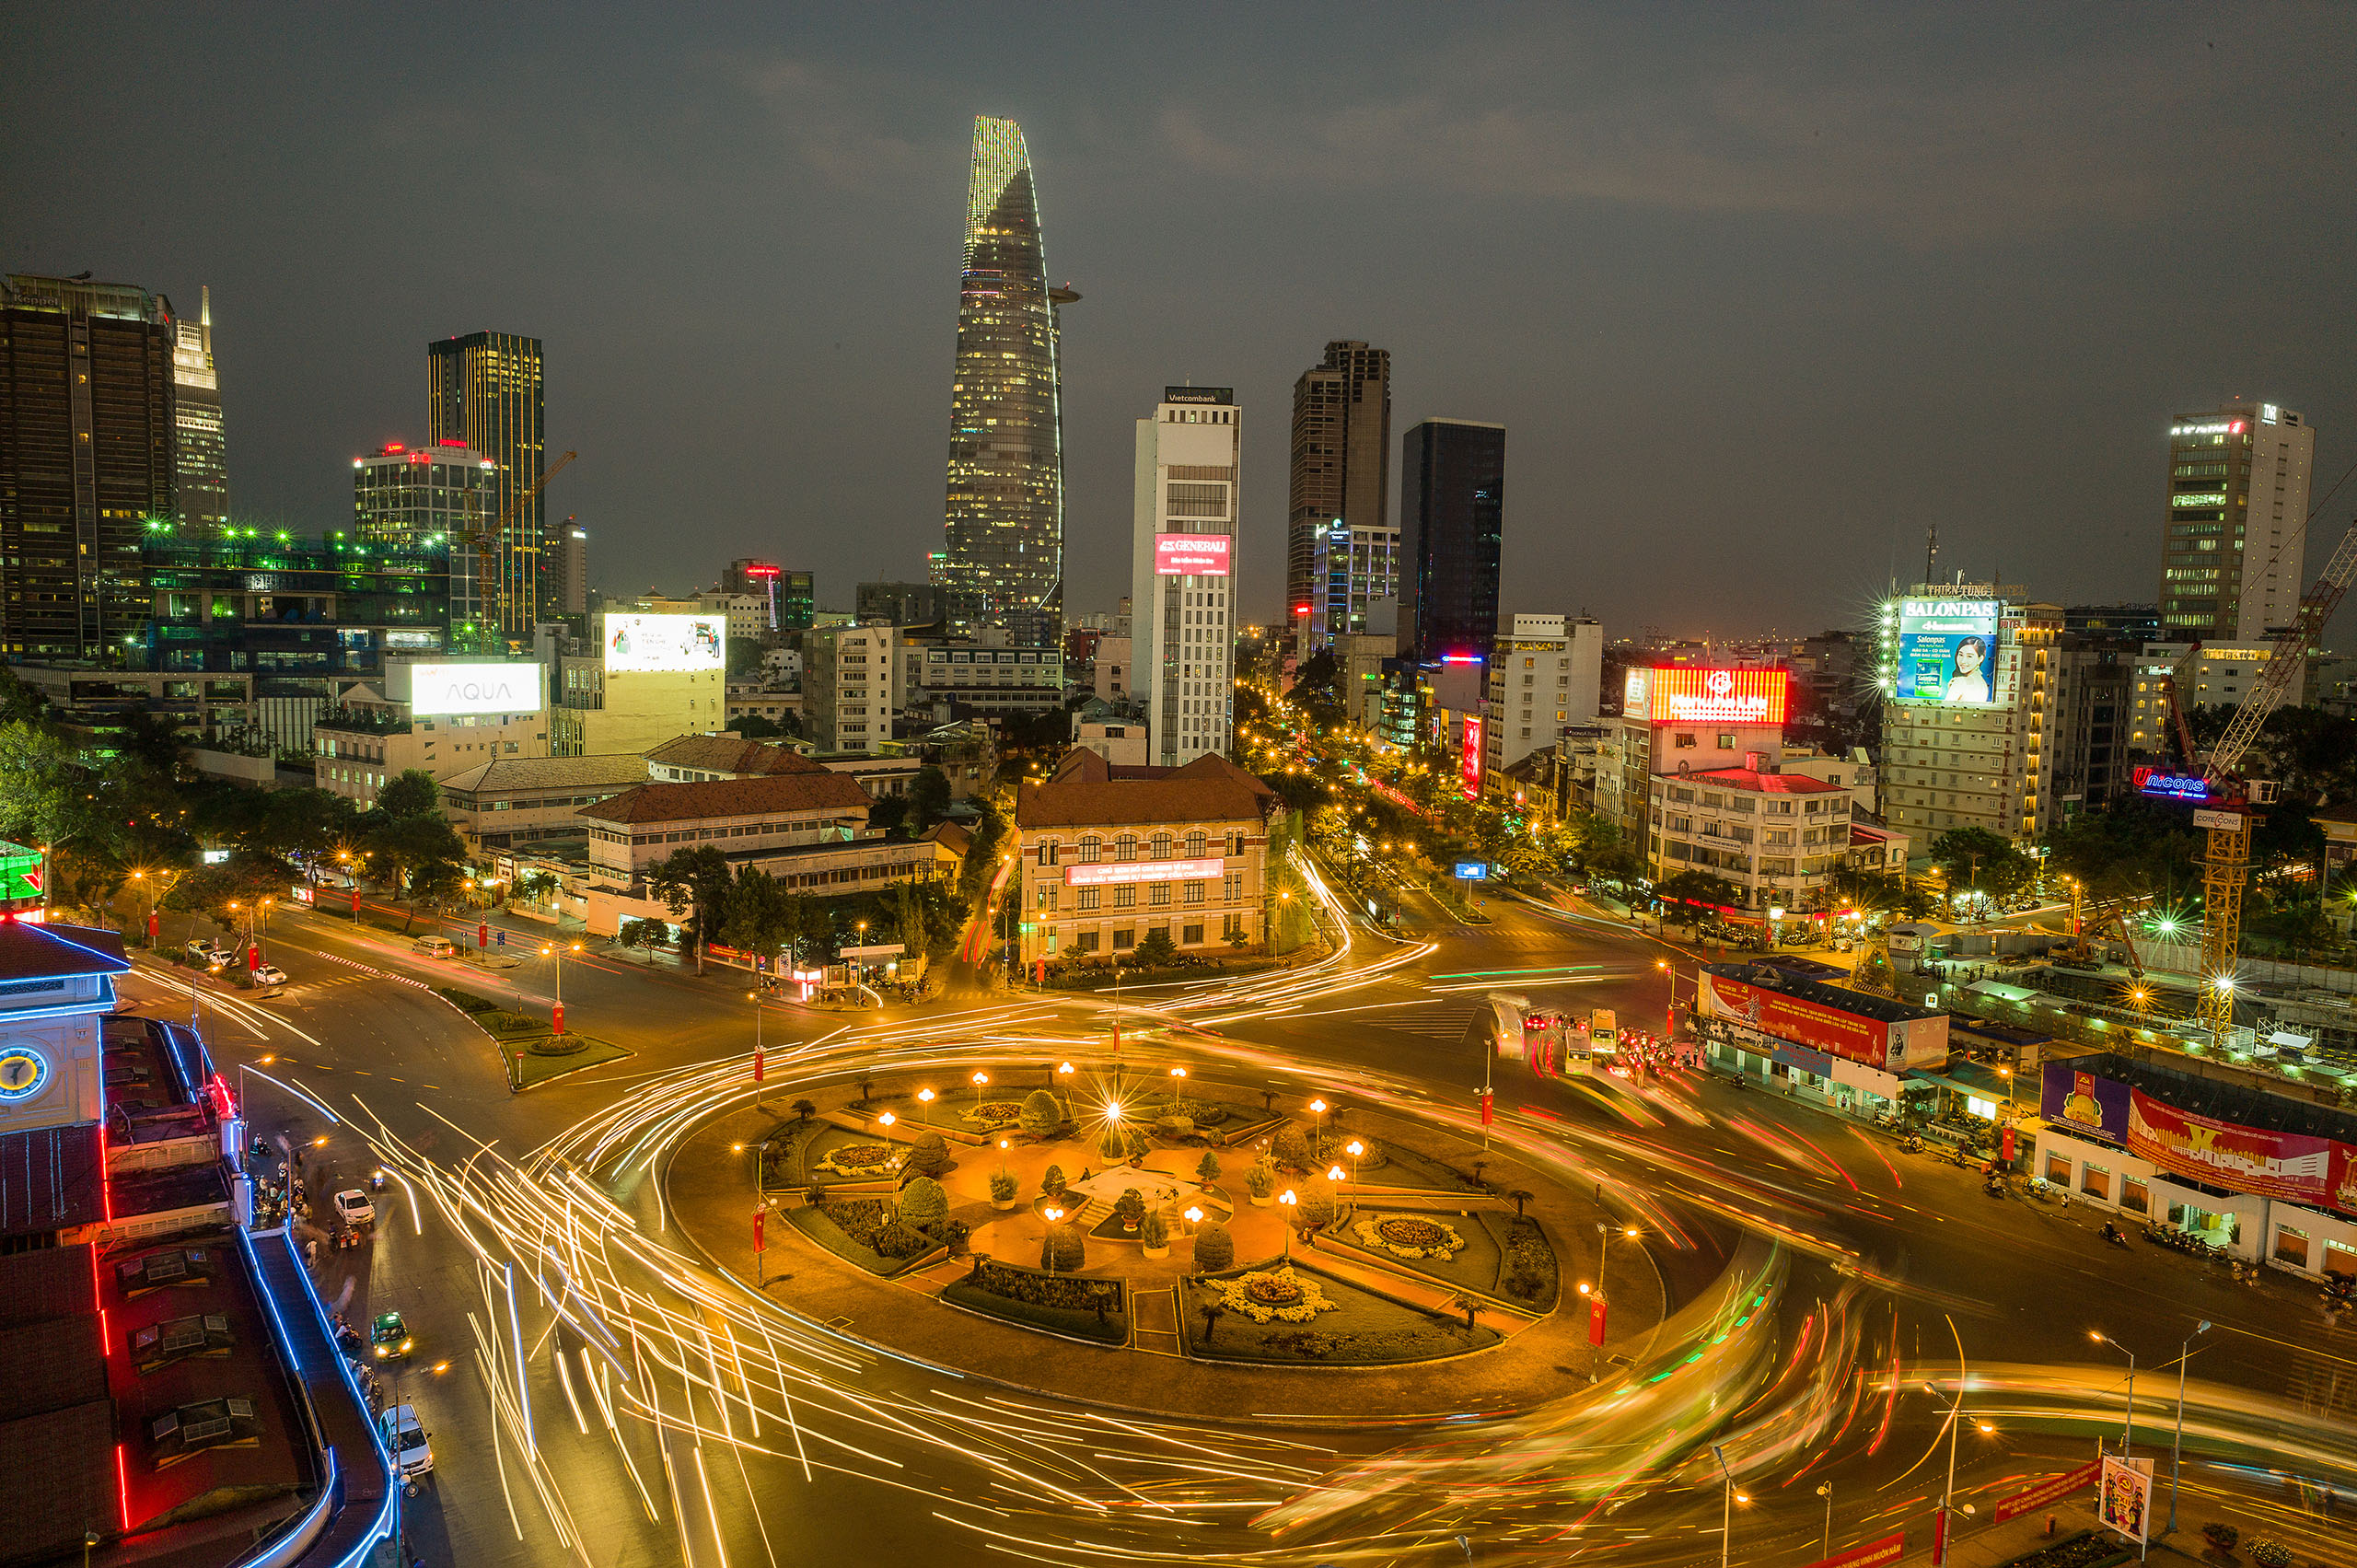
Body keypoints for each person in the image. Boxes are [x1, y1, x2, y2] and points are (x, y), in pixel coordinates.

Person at [1943, 636, 1991, 704]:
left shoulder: (1960, 682)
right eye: (1961, 655)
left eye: (1969, 656)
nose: (1963, 661)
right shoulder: (1982, 683)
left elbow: (1945, 710)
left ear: (1980, 659)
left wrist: (1953, 689)